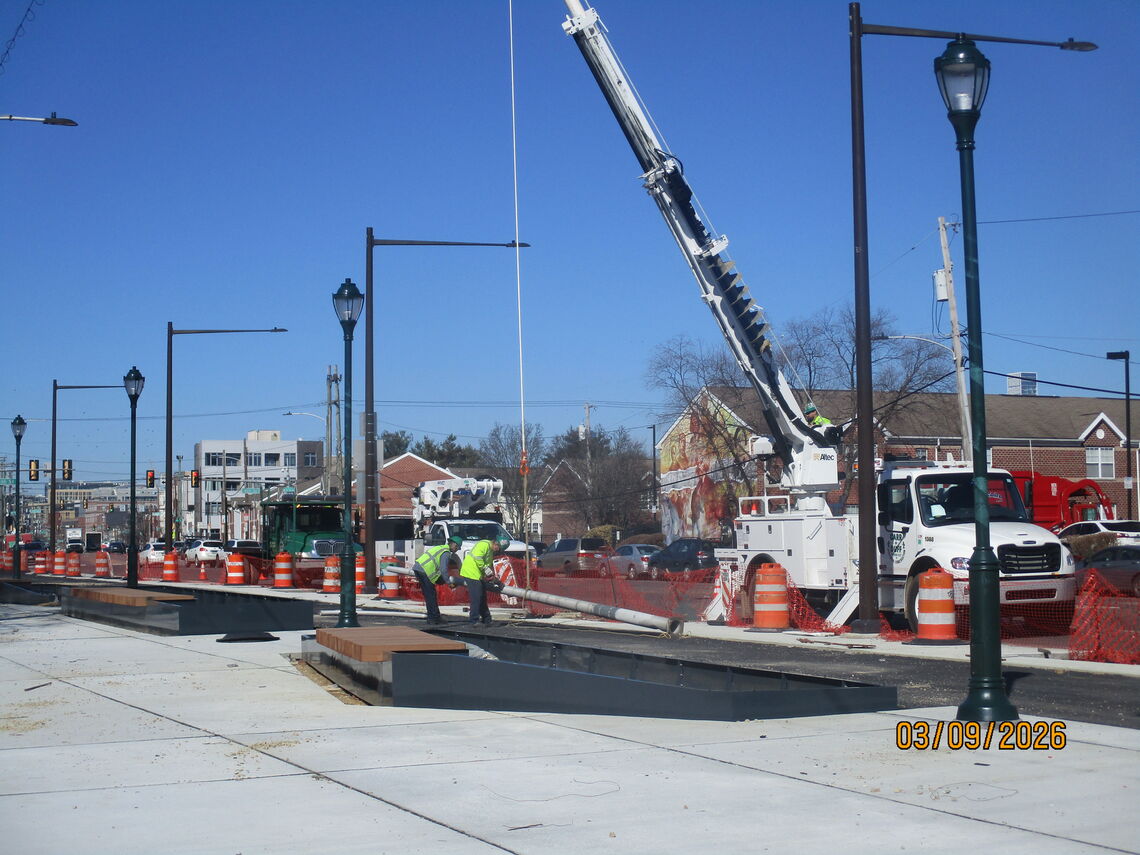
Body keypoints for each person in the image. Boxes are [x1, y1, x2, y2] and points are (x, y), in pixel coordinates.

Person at [459, 533, 510, 626]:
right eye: (499, 549)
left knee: (482, 597)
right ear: (496, 544)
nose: (498, 551)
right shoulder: (484, 545)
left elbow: (487, 565)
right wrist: (488, 572)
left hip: (477, 575)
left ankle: (487, 619)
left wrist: (491, 576)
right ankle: (474, 620)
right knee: (477, 597)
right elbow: (477, 558)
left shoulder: (490, 551)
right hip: (470, 572)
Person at [412, 534, 462, 626]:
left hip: (419, 568)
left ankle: (432, 617)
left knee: (429, 595)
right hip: (424, 570)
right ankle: (434, 618)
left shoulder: (441, 548)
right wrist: (448, 582)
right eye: (458, 547)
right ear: (454, 544)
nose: (457, 550)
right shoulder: (446, 552)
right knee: (431, 595)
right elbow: (443, 569)